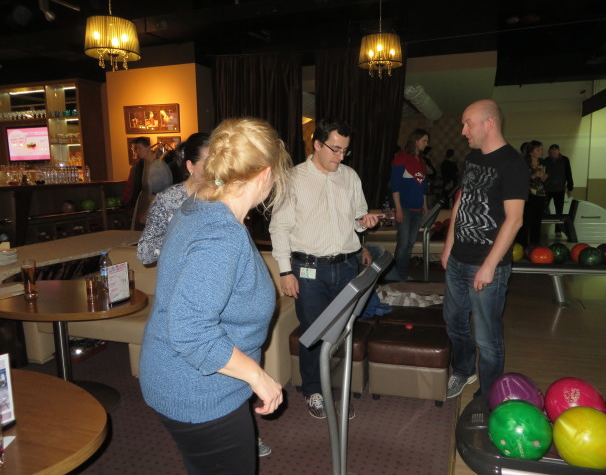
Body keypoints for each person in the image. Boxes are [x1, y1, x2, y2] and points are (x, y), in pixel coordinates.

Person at [139, 118, 291, 474]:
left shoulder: (201, 204)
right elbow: (191, 331)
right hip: (199, 390)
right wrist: (258, 376)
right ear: (265, 174)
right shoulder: (220, 235)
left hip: (184, 377)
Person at [269, 118, 381, 419]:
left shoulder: (350, 176)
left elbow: (357, 217)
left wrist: (364, 222)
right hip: (308, 270)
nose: (341, 157)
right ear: (317, 145)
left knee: (340, 331)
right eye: (335, 149)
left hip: (346, 267)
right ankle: (314, 391)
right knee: (313, 331)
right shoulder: (293, 179)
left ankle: (334, 386)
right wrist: (285, 271)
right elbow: (279, 228)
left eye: (345, 151)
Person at [441, 100, 529, 400]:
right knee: (454, 322)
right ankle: (464, 369)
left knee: (487, 338)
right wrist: (449, 246)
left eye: (468, 123)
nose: (463, 130)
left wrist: (489, 266)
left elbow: (514, 220)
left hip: (487, 266)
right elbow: (461, 202)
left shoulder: (513, 164)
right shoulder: (472, 158)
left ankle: (490, 394)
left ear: (489, 123)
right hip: (458, 259)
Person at [136, 133, 210, 265]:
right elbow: (145, 253)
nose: (217, 170)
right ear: (190, 166)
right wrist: (180, 233)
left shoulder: (222, 197)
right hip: (179, 273)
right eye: (209, 163)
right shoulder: (168, 200)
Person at [389, 129, 430, 281]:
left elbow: (423, 188)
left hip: (417, 209)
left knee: (410, 244)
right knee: (403, 242)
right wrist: (398, 209)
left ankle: (403, 274)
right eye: (424, 140)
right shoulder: (401, 158)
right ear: (416, 141)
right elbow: (395, 186)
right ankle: (398, 275)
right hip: (404, 208)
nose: (427, 144)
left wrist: (425, 206)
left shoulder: (422, 163)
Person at [131, 136, 173, 229]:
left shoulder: (156, 166)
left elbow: (156, 194)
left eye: (138, 148)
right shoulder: (148, 165)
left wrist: (145, 214)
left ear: (148, 148)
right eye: (135, 149)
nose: (137, 151)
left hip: (157, 210)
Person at [516, 141, 548, 246]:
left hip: (540, 195)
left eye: (541, 149)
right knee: (525, 222)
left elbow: (545, 181)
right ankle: (522, 245)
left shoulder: (543, 163)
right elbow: (520, 179)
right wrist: (534, 176)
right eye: (537, 150)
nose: (541, 151)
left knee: (537, 222)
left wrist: (544, 178)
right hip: (527, 196)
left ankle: (535, 246)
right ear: (530, 152)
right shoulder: (524, 164)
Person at [542, 143, 574, 237]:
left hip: (559, 189)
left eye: (555, 153)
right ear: (549, 152)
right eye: (551, 153)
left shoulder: (564, 160)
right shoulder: (545, 161)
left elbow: (568, 174)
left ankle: (558, 230)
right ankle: (542, 228)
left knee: (559, 211)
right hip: (547, 190)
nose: (553, 155)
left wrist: (570, 188)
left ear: (559, 152)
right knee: (543, 209)